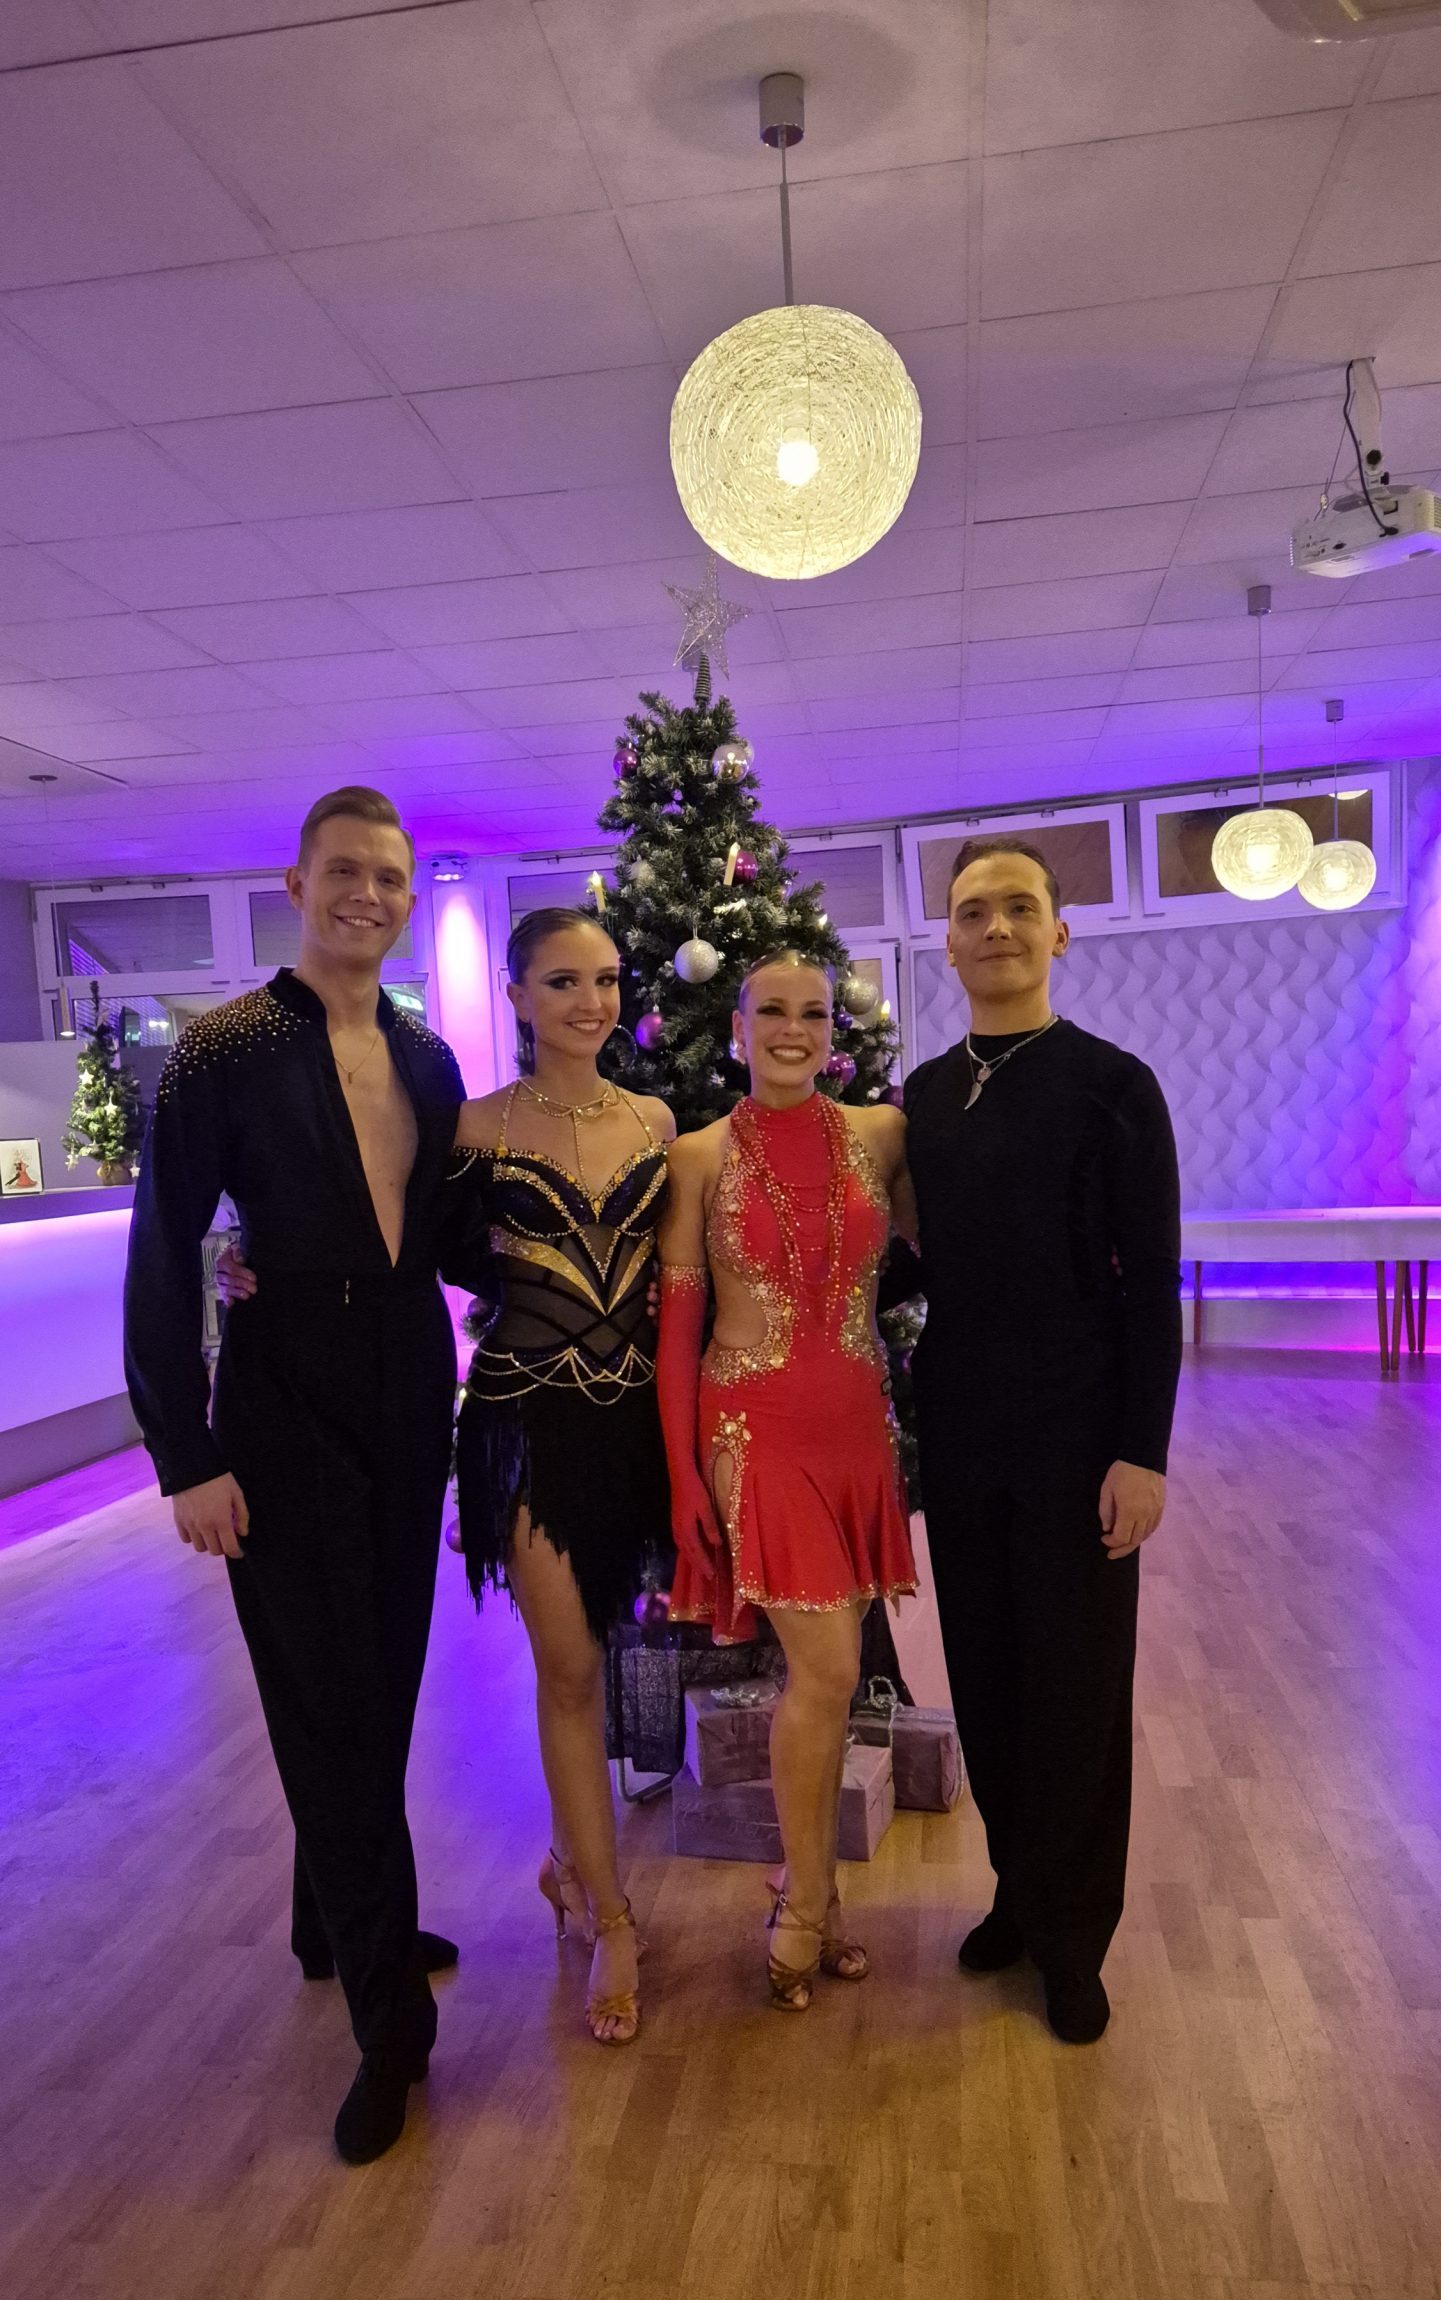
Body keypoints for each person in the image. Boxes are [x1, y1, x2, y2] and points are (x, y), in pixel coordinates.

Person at [124, 786, 465, 2165]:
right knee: (325, 1693)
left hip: (410, 1382)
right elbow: (163, 1250)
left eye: (388, 876)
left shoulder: (426, 1054)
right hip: (282, 1400)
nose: (366, 895)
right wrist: (186, 1453)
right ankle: (393, 2026)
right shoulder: (223, 1049)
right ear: (296, 883)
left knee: (382, 1672)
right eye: (344, 871)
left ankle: (331, 1918)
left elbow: (446, 1232)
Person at [902, 838, 1182, 2044]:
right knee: (986, 1674)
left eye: (1020, 907)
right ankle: (1016, 1890)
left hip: (1078, 1434)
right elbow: (903, 1263)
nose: (997, 928)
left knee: (1075, 1685)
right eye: (974, 911)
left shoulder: (1113, 1084)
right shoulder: (920, 1096)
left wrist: (1142, 1451)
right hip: (961, 1427)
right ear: (948, 942)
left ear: (1058, 931)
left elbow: (1151, 1282)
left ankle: (1075, 1937)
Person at [657, 950, 916, 2010]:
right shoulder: (696, 1155)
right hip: (751, 1429)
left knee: (830, 1676)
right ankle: (805, 1900)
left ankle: (814, 1890)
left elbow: (974, 1231)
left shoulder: (881, 1136)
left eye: (813, 1012)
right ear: (737, 1025)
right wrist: (682, 1478)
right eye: (771, 1009)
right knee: (827, 1667)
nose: (793, 1029)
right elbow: (677, 1330)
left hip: (857, 1427)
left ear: (833, 1032)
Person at [441, 908, 675, 2047]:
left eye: (607, 979)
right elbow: (401, 1247)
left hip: (635, 1424)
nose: (592, 1001)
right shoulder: (474, 1127)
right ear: (517, 995)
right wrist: (244, 1265)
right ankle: (613, 1919)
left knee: (617, 1648)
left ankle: (564, 1861)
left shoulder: (655, 1119)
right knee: (571, 1668)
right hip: (524, 1418)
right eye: (564, 981)